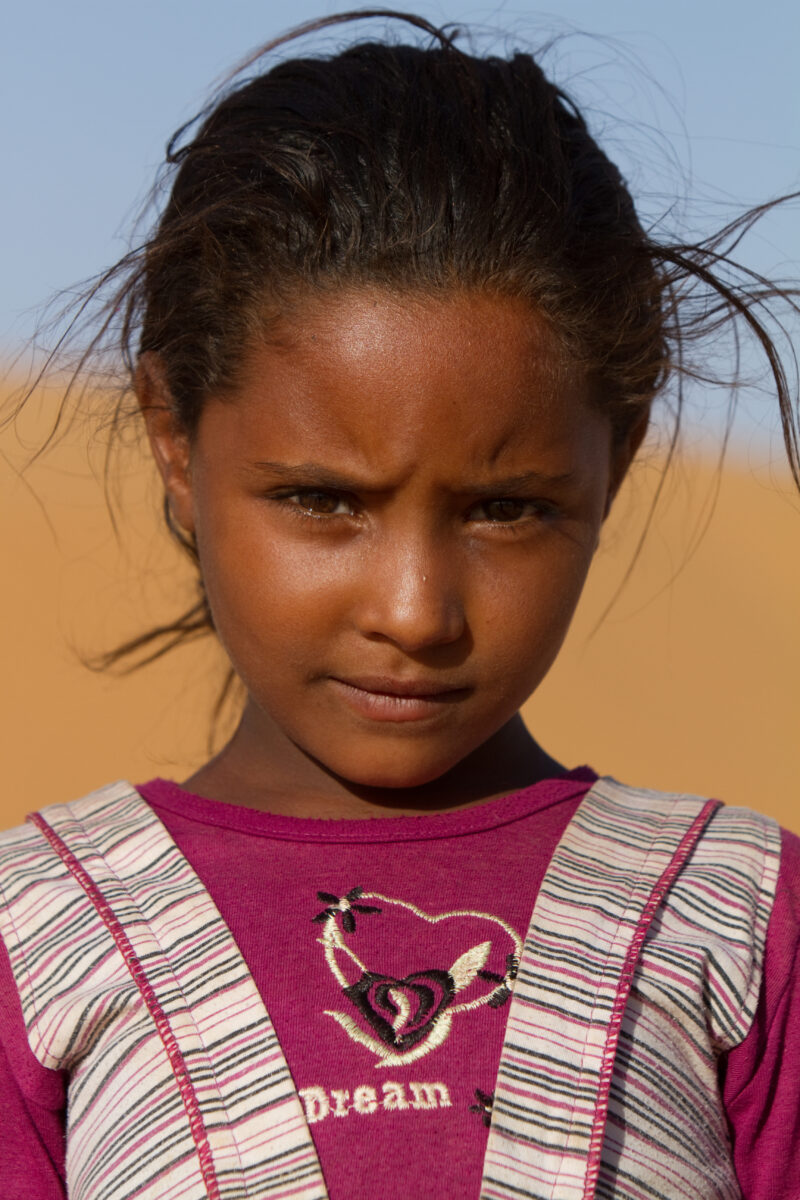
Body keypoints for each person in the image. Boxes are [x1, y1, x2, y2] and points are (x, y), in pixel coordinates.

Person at [0, 12, 798, 1199]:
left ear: (615, 457)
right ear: (176, 440)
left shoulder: (736, 914)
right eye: (322, 500)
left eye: (507, 509)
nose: (418, 612)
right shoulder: (39, 932)